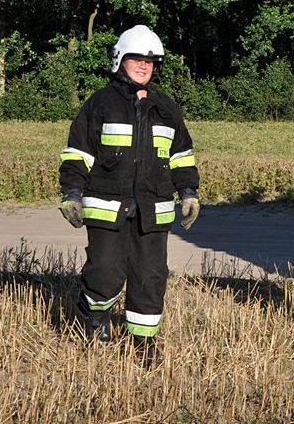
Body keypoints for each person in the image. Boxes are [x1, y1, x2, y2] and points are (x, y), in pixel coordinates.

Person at [58, 24, 200, 368]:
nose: (144, 66)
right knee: (105, 270)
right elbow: (78, 153)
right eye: (137, 59)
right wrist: (72, 193)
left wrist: (189, 192)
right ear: (120, 60)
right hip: (107, 205)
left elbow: (181, 155)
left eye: (151, 61)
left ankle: (143, 341)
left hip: (154, 208)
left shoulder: (167, 108)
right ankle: (93, 318)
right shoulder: (100, 104)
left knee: (151, 276)